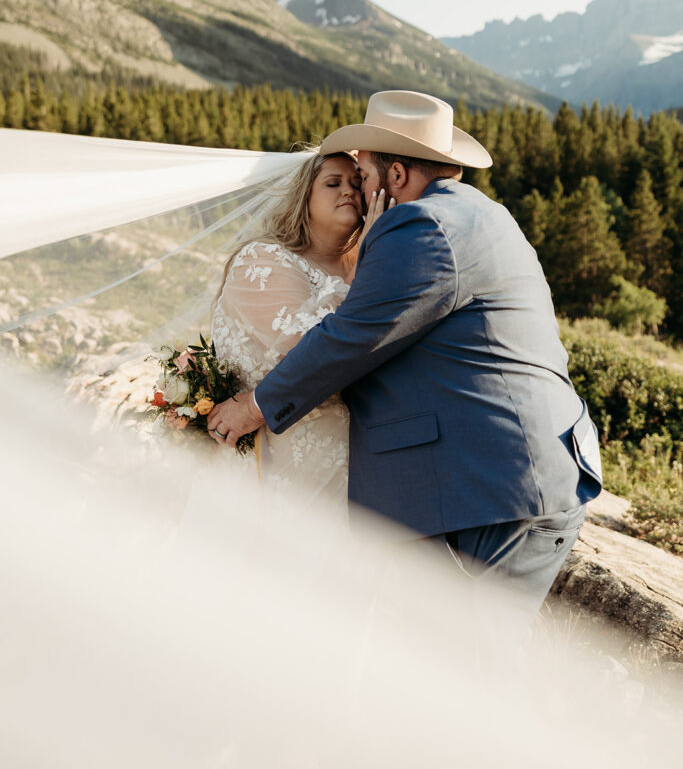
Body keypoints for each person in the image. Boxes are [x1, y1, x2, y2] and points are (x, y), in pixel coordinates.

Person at [208, 90, 602, 616]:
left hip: (491, 486)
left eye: (364, 177)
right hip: (519, 473)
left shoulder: (420, 226)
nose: (360, 191)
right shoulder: (483, 215)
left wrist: (254, 405)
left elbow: (350, 339)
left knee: (461, 670)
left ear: (395, 176)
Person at [209, 149, 387, 517]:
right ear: (303, 196)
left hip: (354, 472)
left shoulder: (371, 269)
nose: (349, 191)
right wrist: (368, 262)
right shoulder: (263, 260)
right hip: (274, 466)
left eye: (358, 183)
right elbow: (312, 349)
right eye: (333, 183)